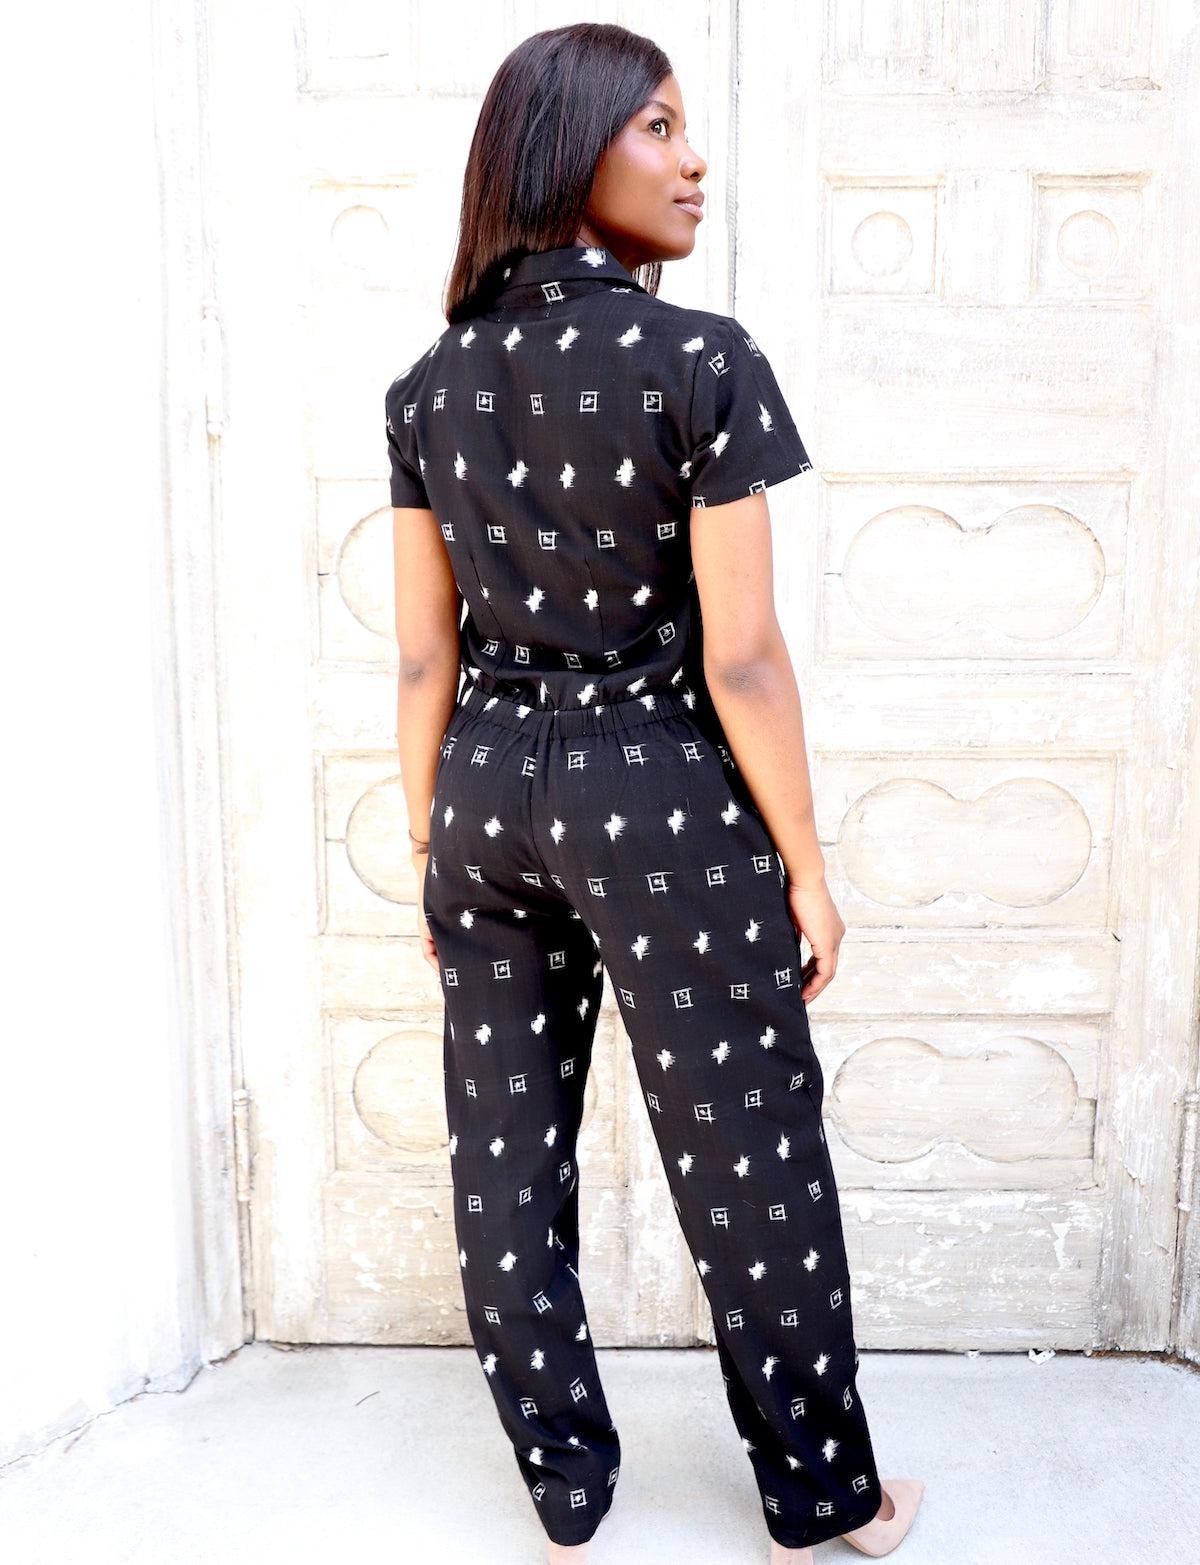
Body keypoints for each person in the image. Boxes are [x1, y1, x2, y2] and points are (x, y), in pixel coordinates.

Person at [386, 22, 925, 1564]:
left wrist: (430, 846)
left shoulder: (427, 386)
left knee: (504, 1145)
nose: (696, 163)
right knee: (747, 1141)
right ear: (569, 151)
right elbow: (742, 657)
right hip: (656, 790)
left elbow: (424, 658)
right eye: (659, 129)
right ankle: (824, 1498)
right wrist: (806, 862)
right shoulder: (700, 361)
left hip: (484, 788)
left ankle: (564, 1492)